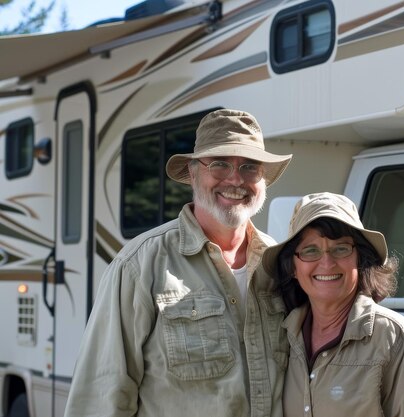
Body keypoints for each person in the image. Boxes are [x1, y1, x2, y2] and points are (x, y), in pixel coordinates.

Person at [64, 109, 292, 417]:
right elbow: (100, 396)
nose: (236, 179)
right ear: (193, 172)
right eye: (220, 164)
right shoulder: (140, 264)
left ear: (263, 179)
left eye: (250, 167)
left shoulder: (281, 265)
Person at [262, 192, 404, 417]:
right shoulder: (283, 336)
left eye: (341, 248)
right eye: (310, 250)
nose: (326, 262)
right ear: (293, 268)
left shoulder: (395, 339)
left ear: (360, 259)